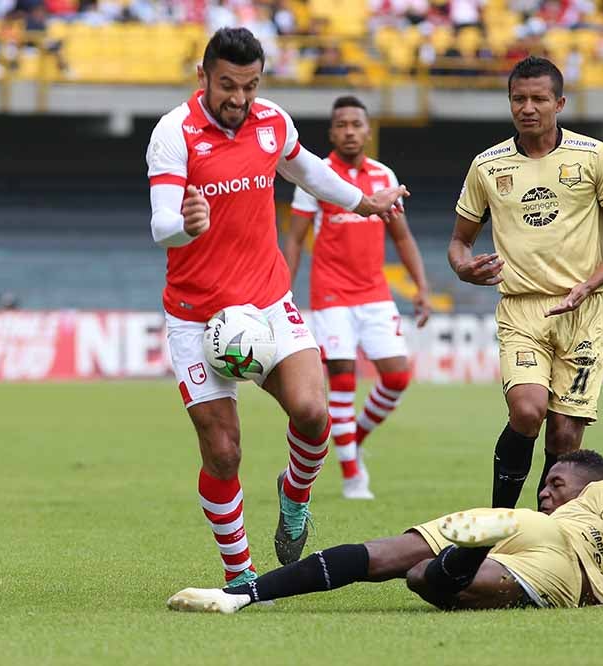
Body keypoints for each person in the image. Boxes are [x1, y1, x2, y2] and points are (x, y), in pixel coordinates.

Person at [146, 27, 409, 588]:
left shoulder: (272, 121)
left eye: (249, 85)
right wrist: (184, 225)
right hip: (196, 318)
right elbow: (160, 223)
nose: (238, 99)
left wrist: (367, 202)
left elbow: (310, 172)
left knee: (313, 414)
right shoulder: (174, 133)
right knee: (223, 451)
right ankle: (242, 577)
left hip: (266, 303)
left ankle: (294, 501)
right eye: (226, 86)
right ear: (203, 76)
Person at [447, 56, 603, 511]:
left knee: (564, 434)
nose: (528, 107)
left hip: (582, 311)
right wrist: (463, 267)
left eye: (539, 99)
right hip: (520, 308)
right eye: (519, 98)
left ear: (559, 103)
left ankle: (547, 532)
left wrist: (588, 284)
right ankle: (498, 522)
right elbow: (459, 241)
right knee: (527, 410)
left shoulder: (593, 156)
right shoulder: (487, 166)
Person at [168, 450, 603, 613]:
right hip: (545, 561)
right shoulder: (549, 514)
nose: (546, 491)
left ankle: (468, 549)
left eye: (556, 483)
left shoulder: (602, 492)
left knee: (420, 575)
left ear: (589, 483)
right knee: (391, 557)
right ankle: (243, 595)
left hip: (557, 560)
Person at [284, 95, 431, 501]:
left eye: (356, 124)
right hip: (331, 295)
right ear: (332, 132)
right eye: (341, 124)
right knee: (343, 382)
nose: (349, 131)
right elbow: (295, 239)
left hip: (375, 292)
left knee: (397, 375)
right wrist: (282, 292)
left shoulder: (384, 176)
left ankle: (353, 440)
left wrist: (421, 287)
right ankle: (353, 477)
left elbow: (401, 236)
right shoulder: (316, 176)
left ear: (368, 131)